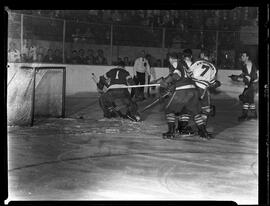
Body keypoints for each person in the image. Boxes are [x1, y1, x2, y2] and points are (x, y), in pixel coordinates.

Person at [159, 52, 211, 139]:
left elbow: (176, 75)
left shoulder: (176, 63)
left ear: (170, 59)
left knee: (169, 110)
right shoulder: (185, 64)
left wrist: (165, 82)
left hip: (183, 90)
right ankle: (203, 132)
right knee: (196, 113)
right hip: (193, 90)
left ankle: (171, 132)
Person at [189, 49, 220, 136]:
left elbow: (189, 73)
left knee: (191, 109)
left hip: (194, 87)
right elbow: (212, 82)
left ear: (202, 55)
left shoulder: (197, 61)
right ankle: (202, 129)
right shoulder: (213, 67)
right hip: (204, 90)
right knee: (206, 110)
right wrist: (217, 84)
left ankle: (182, 127)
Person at [237, 51, 258, 121]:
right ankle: (254, 115)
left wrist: (239, 79)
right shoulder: (246, 64)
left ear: (247, 57)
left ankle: (245, 115)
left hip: (251, 84)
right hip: (252, 84)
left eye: (243, 56)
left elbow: (249, 77)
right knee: (249, 100)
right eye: (242, 56)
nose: (242, 57)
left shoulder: (248, 64)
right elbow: (246, 75)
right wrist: (239, 76)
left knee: (245, 99)